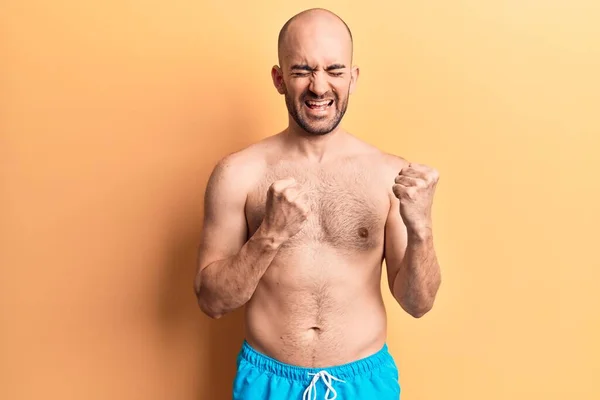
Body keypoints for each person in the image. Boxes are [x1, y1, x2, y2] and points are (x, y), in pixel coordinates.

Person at [194, 7, 442, 400]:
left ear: (353, 78)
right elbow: (212, 302)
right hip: (268, 383)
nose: (319, 87)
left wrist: (421, 230)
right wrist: (269, 236)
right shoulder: (238, 174)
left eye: (334, 70)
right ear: (279, 79)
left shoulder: (388, 175)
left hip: (364, 382)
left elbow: (418, 303)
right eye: (302, 70)